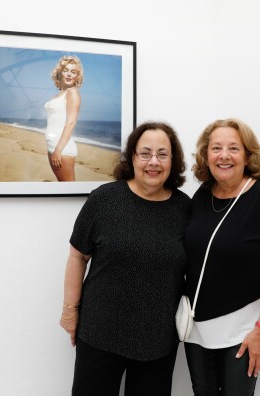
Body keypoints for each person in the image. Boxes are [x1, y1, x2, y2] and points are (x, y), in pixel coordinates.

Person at [59, 122, 191, 396]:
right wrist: (70, 311)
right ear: (132, 157)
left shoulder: (185, 208)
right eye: (145, 153)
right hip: (99, 333)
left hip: (157, 340)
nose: (153, 162)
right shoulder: (103, 200)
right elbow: (77, 256)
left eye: (162, 154)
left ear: (173, 160)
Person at [184, 118, 260, 396]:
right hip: (196, 330)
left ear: (247, 155)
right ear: (206, 156)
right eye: (216, 148)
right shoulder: (201, 196)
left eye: (234, 148)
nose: (224, 155)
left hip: (243, 331)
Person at [44, 55, 83, 181]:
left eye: (73, 72)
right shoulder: (61, 94)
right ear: (60, 72)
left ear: (77, 76)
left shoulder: (73, 92)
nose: (69, 74)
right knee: (62, 185)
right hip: (53, 146)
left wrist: (58, 150)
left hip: (62, 149)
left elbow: (71, 123)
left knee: (68, 189)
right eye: (66, 70)